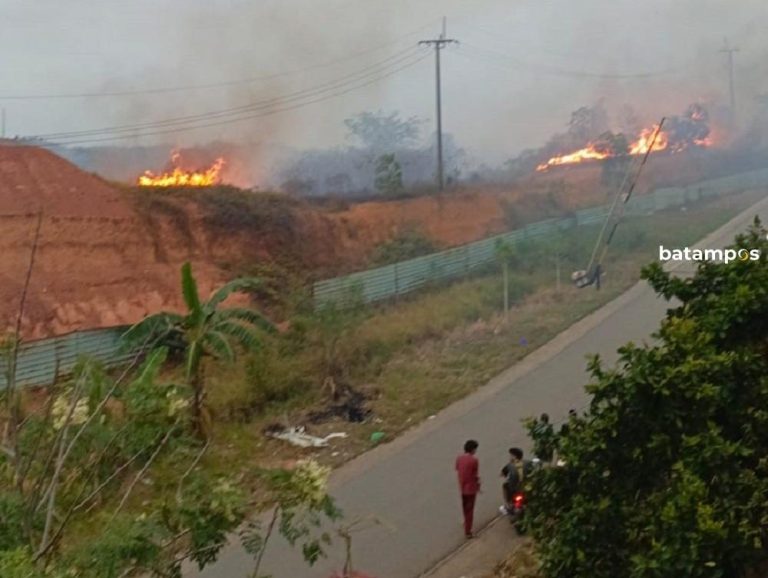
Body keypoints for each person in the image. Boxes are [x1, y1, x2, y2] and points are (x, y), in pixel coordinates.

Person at [455, 439, 480, 538]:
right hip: (470, 489)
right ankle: (468, 531)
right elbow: (475, 474)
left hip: (462, 487)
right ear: (473, 449)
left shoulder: (459, 458)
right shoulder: (474, 460)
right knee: (470, 510)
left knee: (464, 507)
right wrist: (478, 485)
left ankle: (465, 522)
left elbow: (458, 470)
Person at [500, 447, 532, 513]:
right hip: (526, 487)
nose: (509, 457)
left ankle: (508, 505)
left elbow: (502, 474)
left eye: (511, 455)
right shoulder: (527, 463)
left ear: (514, 457)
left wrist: (504, 475)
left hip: (514, 489)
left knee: (505, 485)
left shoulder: (509, 465)